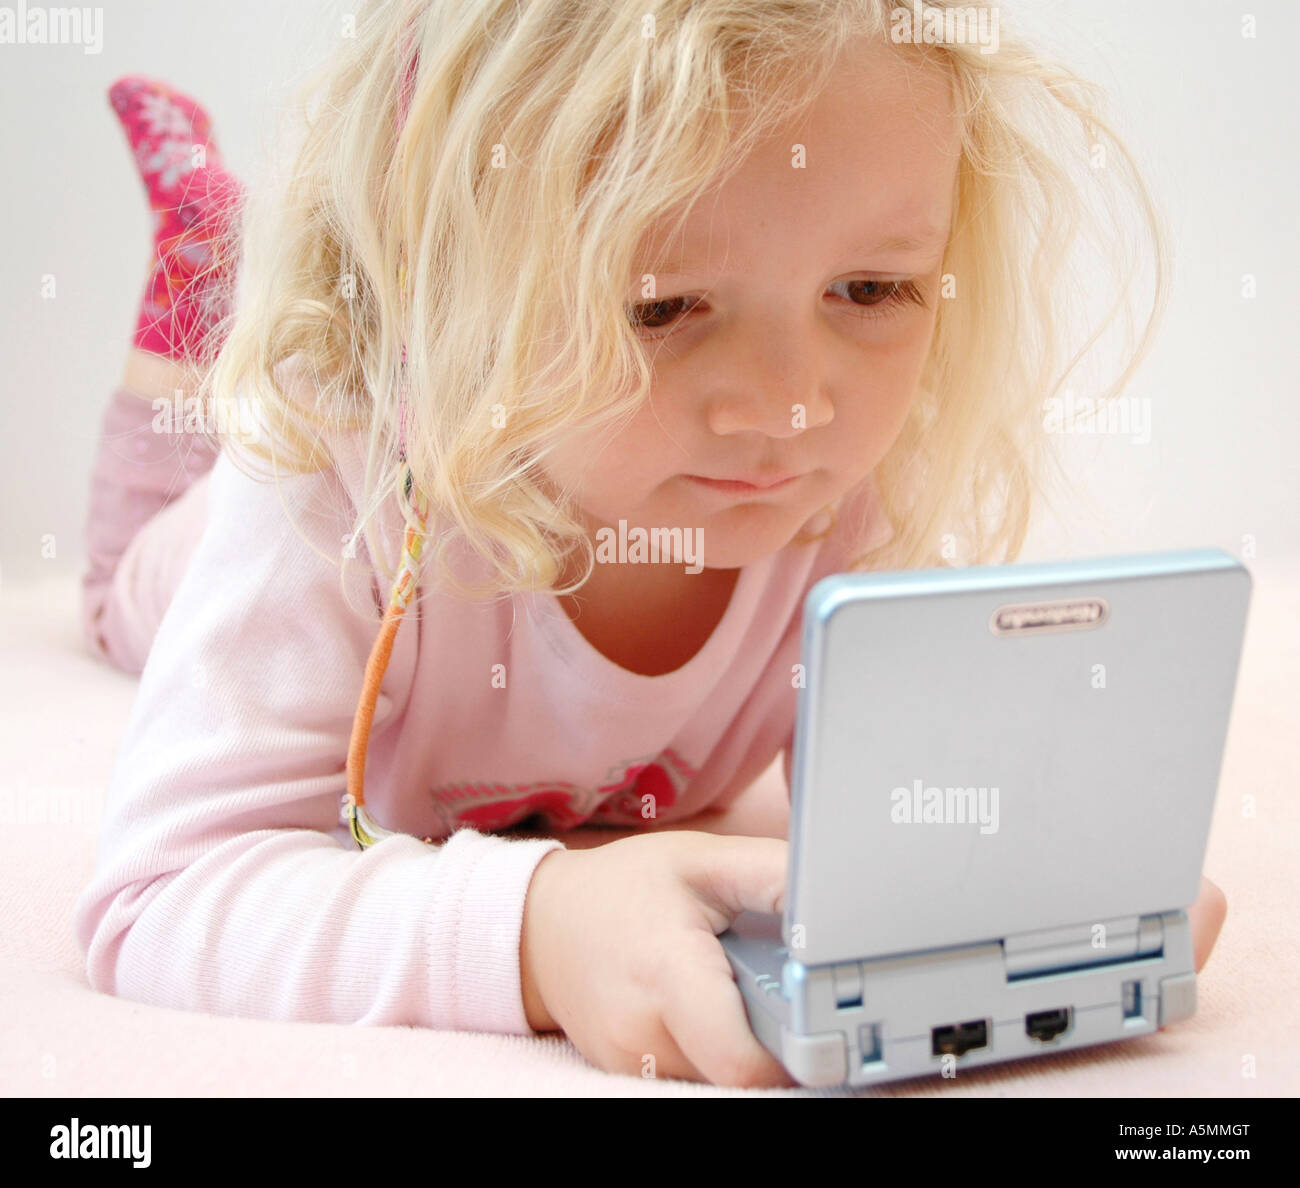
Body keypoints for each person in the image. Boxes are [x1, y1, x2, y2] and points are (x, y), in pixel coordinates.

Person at [73, 0, 1227, 1089]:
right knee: (117, 583)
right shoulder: (326, 473)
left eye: (870, 289)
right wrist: (531, 930)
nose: (789, 408)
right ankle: (194, 249)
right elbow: (159, 895)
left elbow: (907, 798)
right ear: (443, 279)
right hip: (217, 536)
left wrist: (1029, 874)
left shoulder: (848, 495)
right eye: (662, 306)